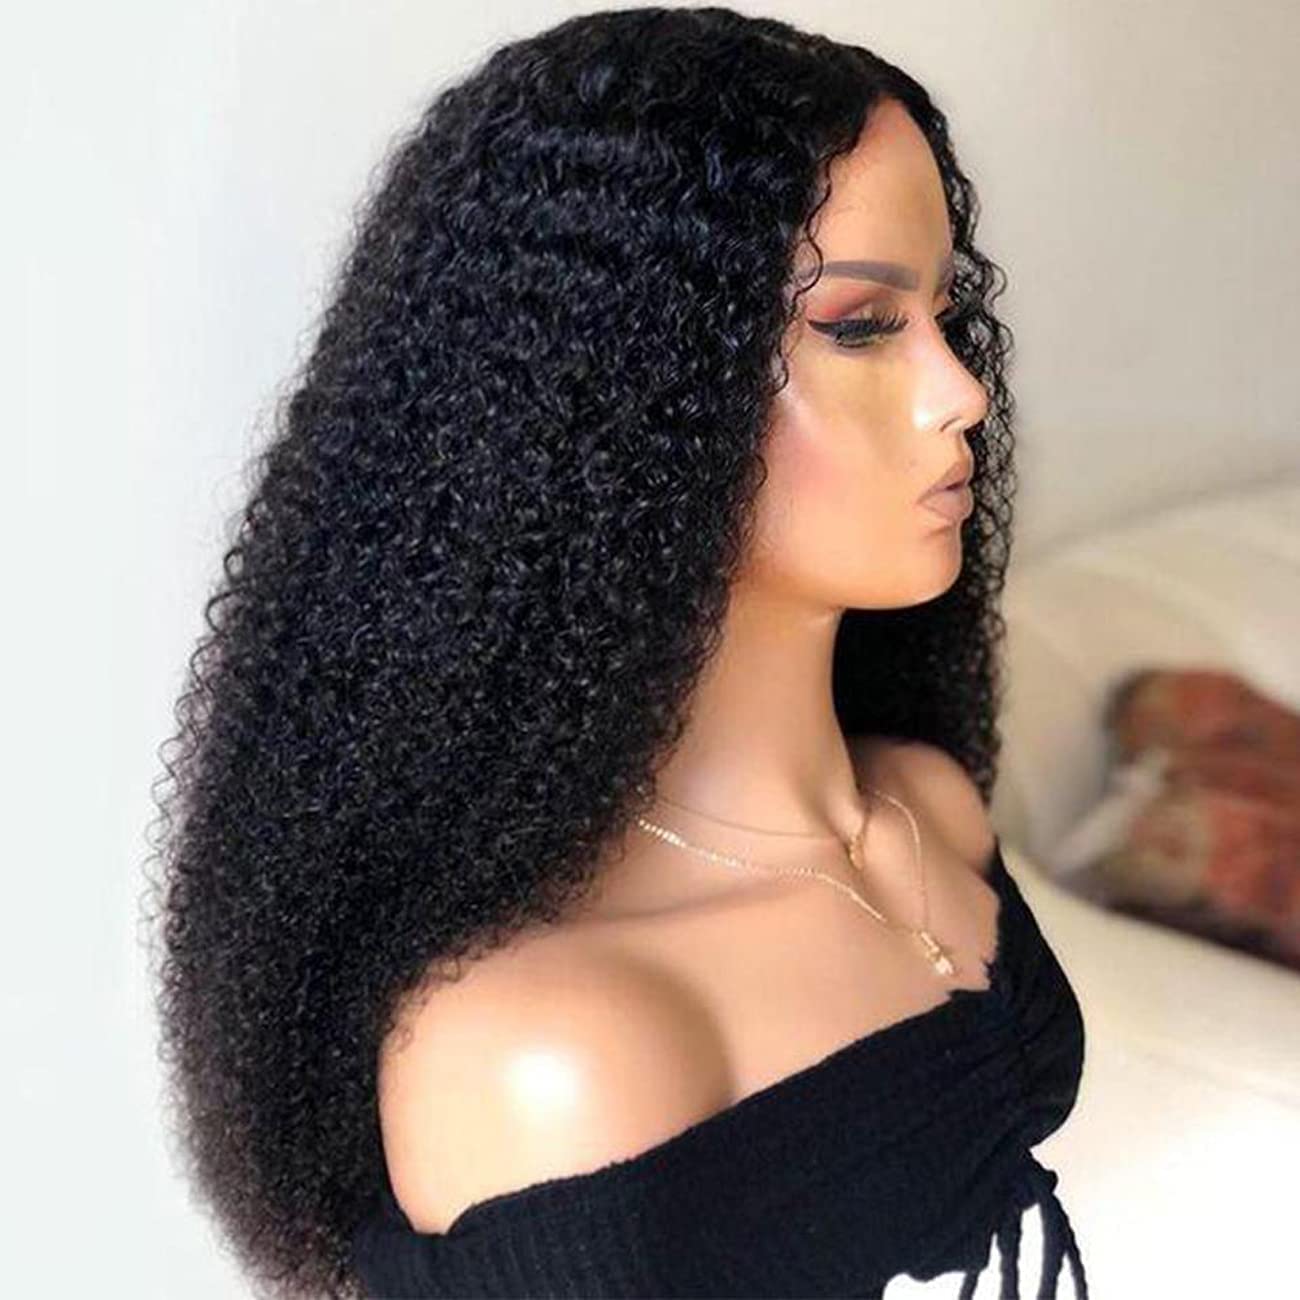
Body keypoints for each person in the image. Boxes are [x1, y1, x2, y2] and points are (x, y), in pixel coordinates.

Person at [144, 7, 1090, 1297]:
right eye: (862, 325)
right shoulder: (549, 1057)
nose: (962, 390)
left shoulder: (930, 811)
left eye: (945, 313)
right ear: (628, 383)